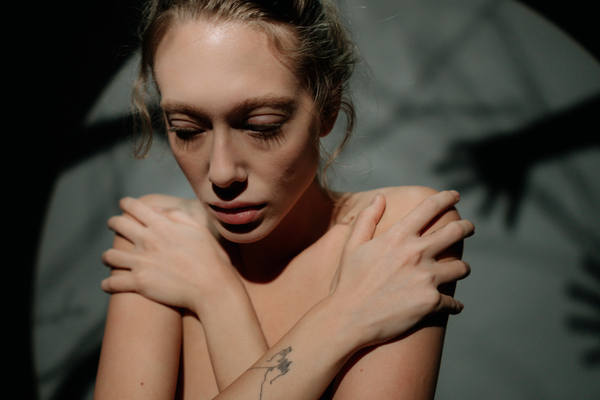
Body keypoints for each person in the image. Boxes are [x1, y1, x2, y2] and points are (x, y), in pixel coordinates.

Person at [94, 1, 474, 399]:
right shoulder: (159, 236)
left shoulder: (398, 231)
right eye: (186, 129)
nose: (221, 173)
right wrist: (343, 316)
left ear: (327, 107)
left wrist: (216, 297)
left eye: (262, 126)